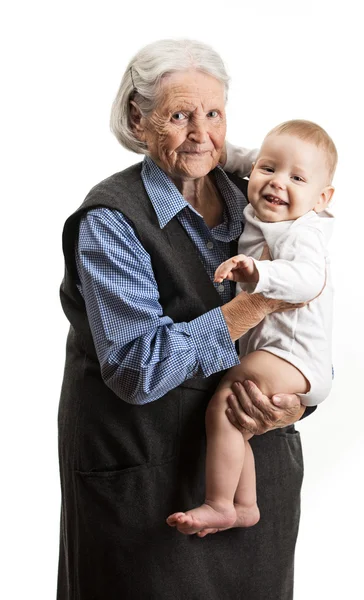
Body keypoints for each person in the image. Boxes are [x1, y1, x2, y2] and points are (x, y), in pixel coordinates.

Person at [58, 39, 318, 600]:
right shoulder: (111, 220)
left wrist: (294, 400)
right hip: (146, 482)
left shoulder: (263, 197)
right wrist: (254, 304)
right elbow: (138, 368)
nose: (202, 134)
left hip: (258, 481)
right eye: (180, 115)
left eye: (215, 114)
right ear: (138, 118)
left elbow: (310, 317)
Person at [167, 120, 336, 536]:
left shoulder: (303, 232)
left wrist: (259, 271)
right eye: (268, 169)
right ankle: (243, 505)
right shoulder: (265, 192)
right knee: (235, 419)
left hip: (292, 356)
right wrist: (220, 152)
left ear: (322, 198)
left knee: (224, 408)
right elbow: (243, 158)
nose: (278, 183)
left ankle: (221, 503)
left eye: (297, 178)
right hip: (283, 355)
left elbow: (310, 279)